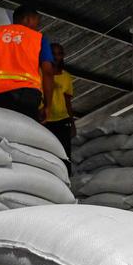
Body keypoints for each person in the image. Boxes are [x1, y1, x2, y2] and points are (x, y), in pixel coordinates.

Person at [0, 5, 54, 121]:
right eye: (37, 20)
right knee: (23, 130)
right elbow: (48, 72)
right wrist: (48, 106)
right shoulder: (39, 38)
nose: (38, 24)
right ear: (28, 19)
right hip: (28, 95)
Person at [42, 42, 76, 171]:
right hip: (44, 120)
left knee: (64, 155)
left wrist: (72, 123)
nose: (56, 57)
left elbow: (68, 102)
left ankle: (65, 179)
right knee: (47, 153)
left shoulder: (66, 76)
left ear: (63, 56)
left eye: (59, 54)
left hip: (62, 120)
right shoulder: (40, 73)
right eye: (53, 54)